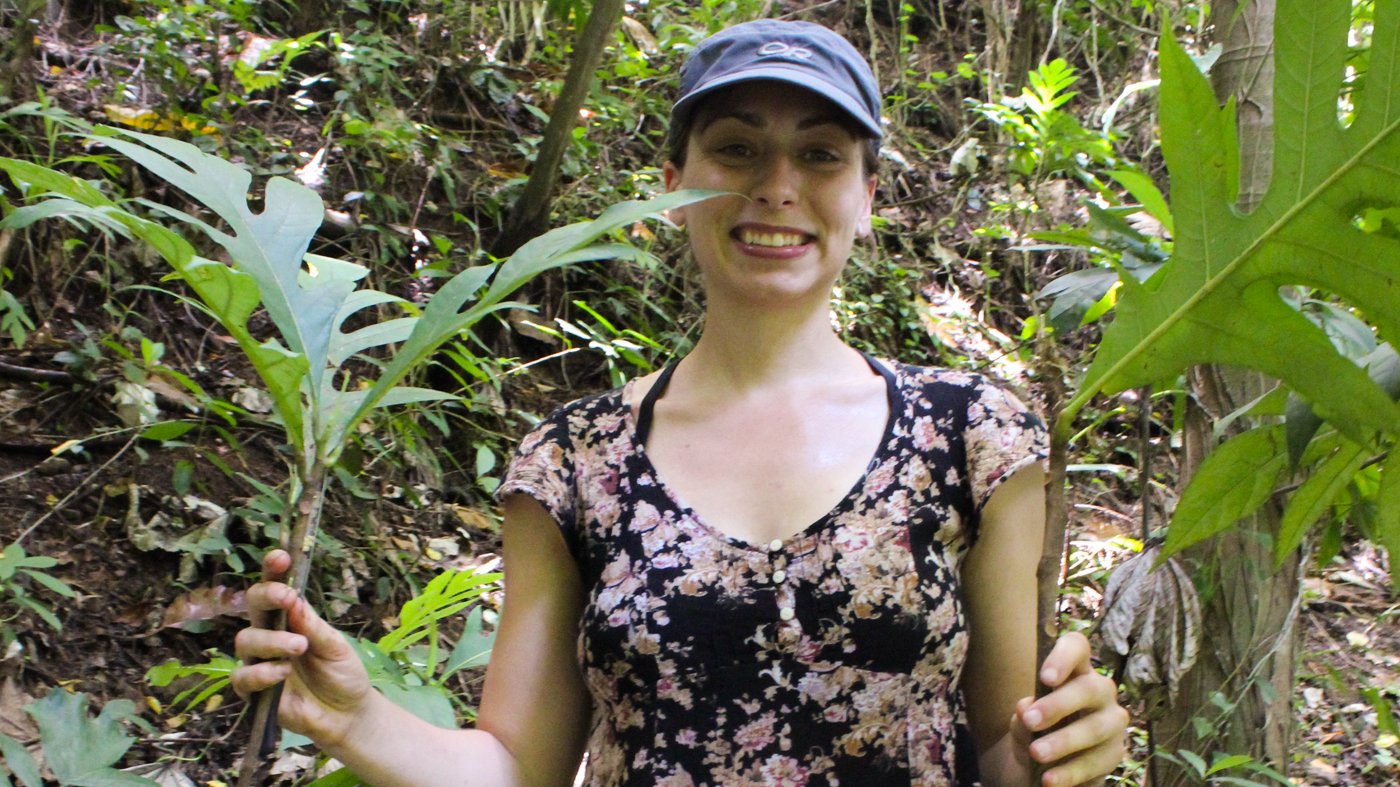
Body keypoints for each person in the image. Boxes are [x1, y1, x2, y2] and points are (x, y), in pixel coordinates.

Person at [232, 19, 1129, 787]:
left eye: (819, 153)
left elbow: (1003, 752)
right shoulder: (575, 460)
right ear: (674, 185)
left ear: (867, 197)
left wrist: (1067, 747)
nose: (777, 184)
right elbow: (517, 764)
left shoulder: (974, 436)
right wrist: (357, 721)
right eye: (737, 147)